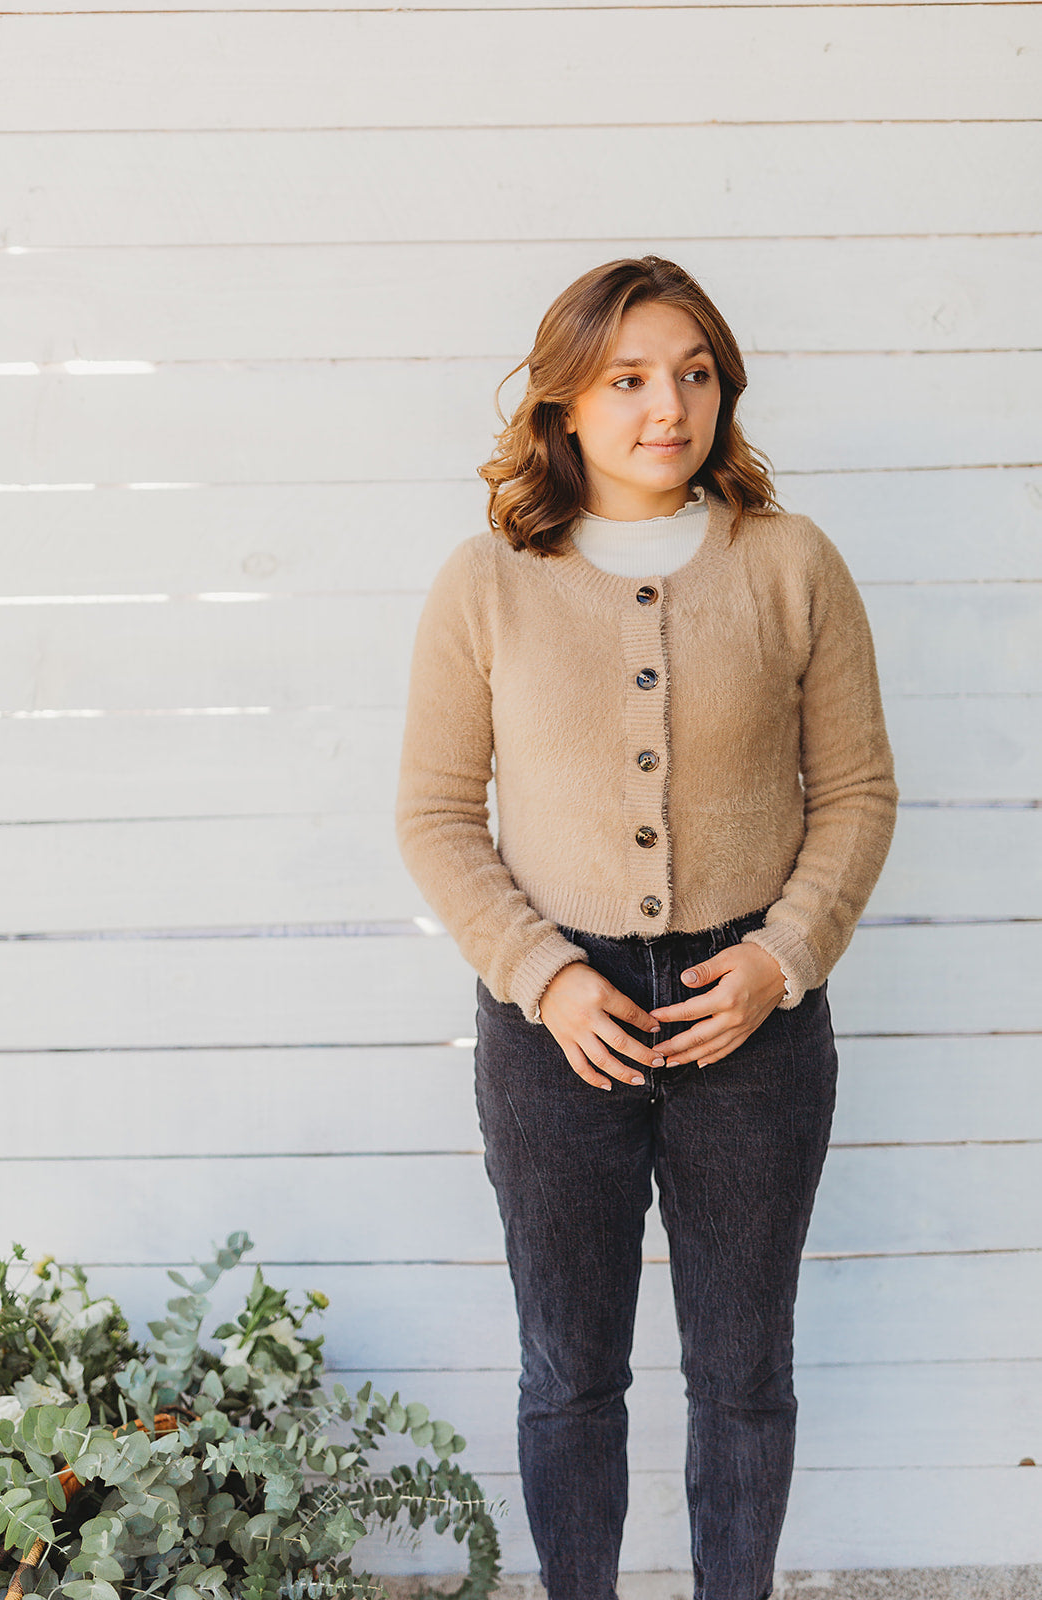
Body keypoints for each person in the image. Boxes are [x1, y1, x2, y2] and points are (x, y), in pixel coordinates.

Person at [395, 255, 897, 1600]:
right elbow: (437, 816)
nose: (666, 406)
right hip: (557, 1029)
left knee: (744, 1371)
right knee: (570, 1371)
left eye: (693, 373)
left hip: (757, 1019)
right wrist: (545, 978)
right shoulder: (485, 583)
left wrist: (784, 960)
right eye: (626, 378)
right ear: (564, 404)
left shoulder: (790, 563)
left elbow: (855, 794)